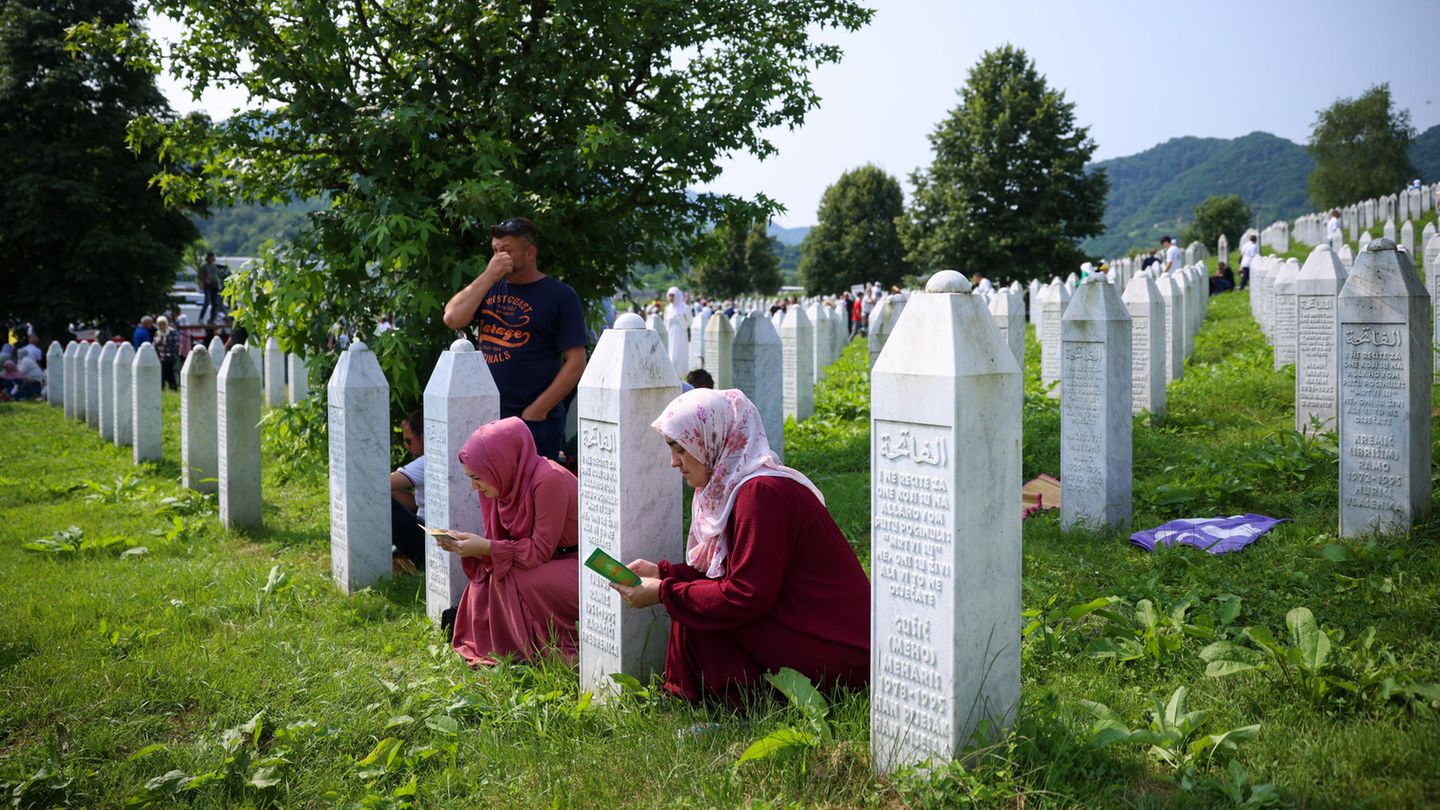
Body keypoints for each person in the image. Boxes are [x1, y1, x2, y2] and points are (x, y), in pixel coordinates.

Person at [612, 389, 870, 703]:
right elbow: (730, 574)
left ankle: (737, 702)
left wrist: (665, 590)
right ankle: (734, 698)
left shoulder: (762, 493)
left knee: (696, 610)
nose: (673, 462)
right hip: (810, 627)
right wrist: (664, 573)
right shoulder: (736, 487)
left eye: (682, 449)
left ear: (713, 440)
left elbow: (746, 595)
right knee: (695, 601)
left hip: (843, 651)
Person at [435, 417, 580, 665]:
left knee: (511, 577)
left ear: (499, 464)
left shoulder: (548, 479)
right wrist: (474, 546)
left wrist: (485, 547)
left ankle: (544, 651)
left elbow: (538, 551)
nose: (473, 486)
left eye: (477, 477)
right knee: (489, 577)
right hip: (543, 560)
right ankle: (509, 647)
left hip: (578, 563)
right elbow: (500, 543)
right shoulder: (502, 481)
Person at [442, 217, 588, 460]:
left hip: (534, 423)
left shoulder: (560, 296)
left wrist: (537, 410)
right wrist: (488, 276)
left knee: (532, 494)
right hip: (487, 417)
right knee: (491, 493)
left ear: (530, 253)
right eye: (495, 251)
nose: (499, 257)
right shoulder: (488, 287)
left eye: (507, 251)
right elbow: (452, 318)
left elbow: (576, 362)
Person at [390, 410, 427, 572]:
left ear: (423, 437)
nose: (406, 445)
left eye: (408, 440)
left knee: (380, 504)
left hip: (425, 536)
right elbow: (414, 503)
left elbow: (378, 484)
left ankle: (414, 559)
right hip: (427, 530)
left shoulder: (425, 462)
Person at [663, 286, 692, 382]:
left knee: (681, 354)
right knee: (672, 354)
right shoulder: (668, 309)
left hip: (681, 334)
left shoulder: (685, 307)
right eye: (669, 295)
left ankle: (682, 375)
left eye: (672, 295)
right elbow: (665, 322)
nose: (671, 298)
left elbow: (689, 322)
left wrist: (681, 318)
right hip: (671, 334)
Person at [152, 316, 181, 390]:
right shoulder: (157, 333)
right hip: (161, 357)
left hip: (170, 357)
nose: (161, 326)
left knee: (166, 372)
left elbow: (177, 344)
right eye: (160, 324)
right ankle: (172, 387)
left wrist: (166, 348)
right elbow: (154, 344)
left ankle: (165, 387)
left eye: (163, 324)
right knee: (167, 373)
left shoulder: (172, 332)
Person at [198, 252, 223, 324]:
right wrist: (205, 280)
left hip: (215, 286)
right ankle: (201, 317)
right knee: (207, 302)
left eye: (212, 257)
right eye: (210, 257)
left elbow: (219, 276)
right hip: (208, 286)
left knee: (215, 303)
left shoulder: (215, 266)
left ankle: (212, 319)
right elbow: (200, 276)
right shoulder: (204, 267)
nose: (211, 259)